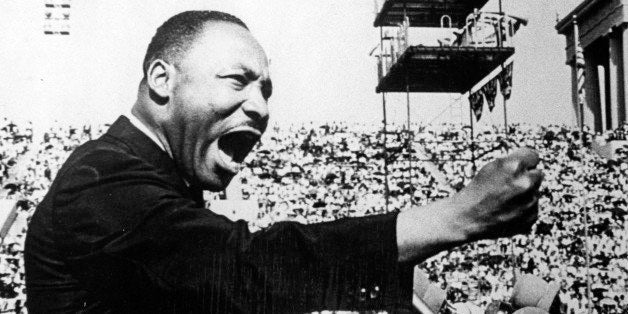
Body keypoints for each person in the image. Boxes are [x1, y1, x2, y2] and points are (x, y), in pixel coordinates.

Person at [24, 10, 543, 313]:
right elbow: (240, 269)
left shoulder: (157, 177)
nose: (260, 106)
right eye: (237, 80)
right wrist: (457, 216)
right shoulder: (101, 178)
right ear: (163, 80)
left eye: (266, 90)